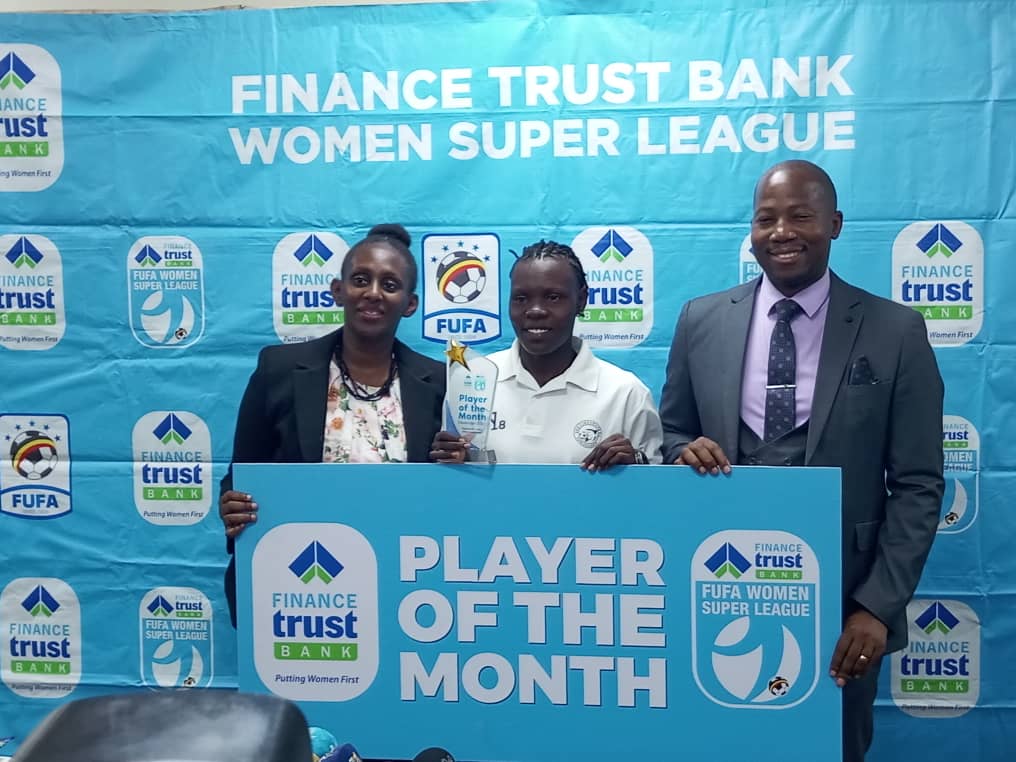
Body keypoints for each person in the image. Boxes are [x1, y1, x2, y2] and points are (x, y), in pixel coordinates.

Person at [659, 160, 944, 761]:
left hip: (844, 603)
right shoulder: (700, 320)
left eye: (800, 216)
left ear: (834, 224)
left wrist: (875, 608)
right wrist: (684, 450)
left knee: (829, 747)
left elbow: (918, 484)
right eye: (766, 219)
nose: (781, 232)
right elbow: (673, 432)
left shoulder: (896, 330)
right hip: (717, 588)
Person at [219, 224, 444, 625]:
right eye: (360, 280)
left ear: (410, 304)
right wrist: (234, 505)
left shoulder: (439, 383)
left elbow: (446, 494)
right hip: (302, 584)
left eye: (390, 285)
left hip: (404, 585)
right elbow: (241, 475)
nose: (373, 293)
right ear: (338, 290)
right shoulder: (279, 370)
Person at [431, 239, 663, 469]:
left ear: (581, 300)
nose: (535, 311)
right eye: (521, 299)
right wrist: (451, 461)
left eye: (553, 297)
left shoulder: (626, 394)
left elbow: (658, 484)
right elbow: (455, 480)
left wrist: (636, 464)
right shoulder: (471, 382)